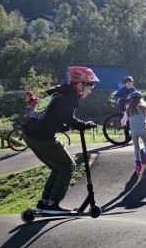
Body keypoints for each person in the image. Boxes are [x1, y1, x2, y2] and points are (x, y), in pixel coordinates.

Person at [22, 66, 99, 213]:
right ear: (81, 84)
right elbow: (66, 118)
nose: (91, 90)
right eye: (90, 86)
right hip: (41, 136)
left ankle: (44, 202)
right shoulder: (69, 97)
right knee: (68, 166)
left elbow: (53, 117)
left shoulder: (59, 94)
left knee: (58, 167)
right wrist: (84, 125)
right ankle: (52, 204)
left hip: (30, 133)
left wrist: (64, 127)